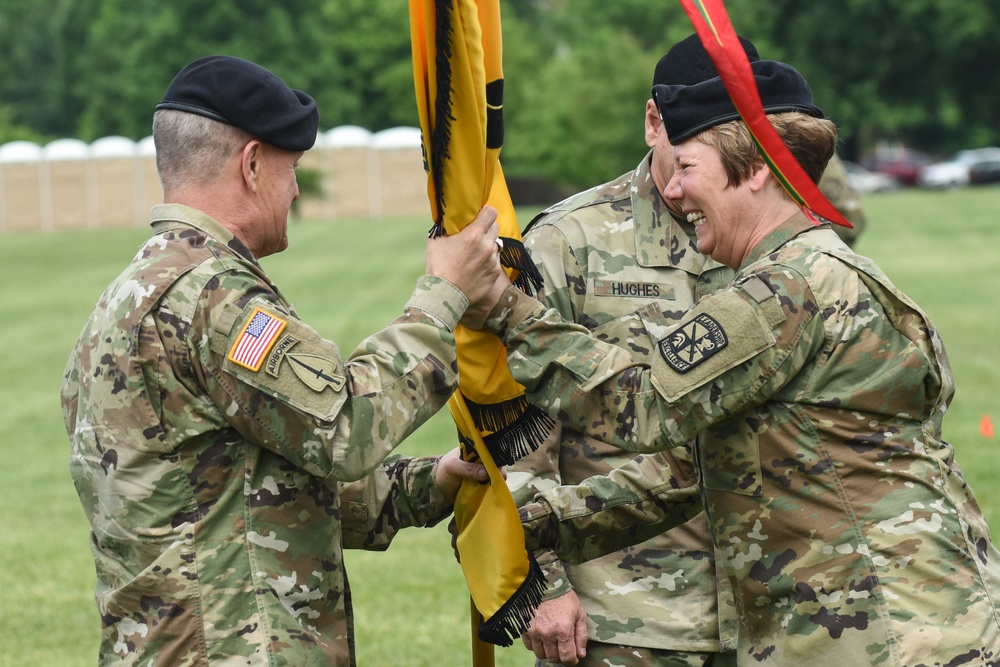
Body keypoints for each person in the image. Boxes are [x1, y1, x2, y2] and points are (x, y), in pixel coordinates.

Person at [473, 52, 1000, 664]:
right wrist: (522, 531)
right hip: (901, 618)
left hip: (880, 630)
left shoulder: (783, 291)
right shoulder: (825, 268)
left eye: (690, 167)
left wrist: (505, 310)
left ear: (756, 170)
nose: (672, 188)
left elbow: (647, 405)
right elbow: (690, 469)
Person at [60, 55, 502, 665]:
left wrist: (433, 482)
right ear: (251, 165)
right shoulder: (211, 294)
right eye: (291, 168)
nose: (294, 187)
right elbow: (344, 428)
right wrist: (442, 297)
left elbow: (245, 496)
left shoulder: (126, 297)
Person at [509, 35, 867, 667]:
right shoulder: (569, 243)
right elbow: (513, 433)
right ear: (655, 123)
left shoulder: (786, 245)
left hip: (779, 606)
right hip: (631, 615)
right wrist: (537, 581)